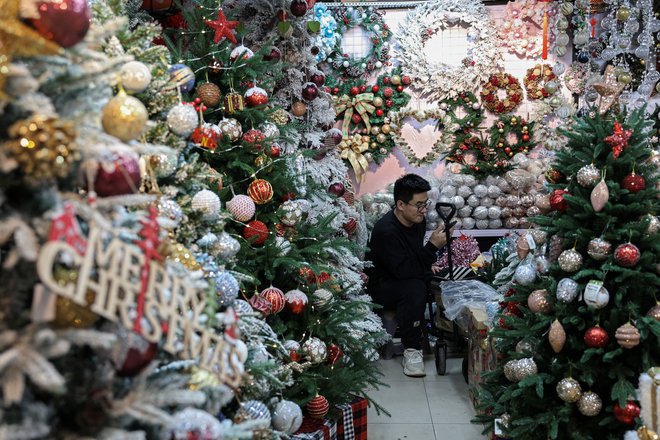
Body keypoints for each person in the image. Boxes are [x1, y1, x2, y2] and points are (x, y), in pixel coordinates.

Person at [365, 173, 449, 377]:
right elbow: (404, 271)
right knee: (415, 287)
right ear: (401, 205)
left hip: (405, 273)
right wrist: (432, 248)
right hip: (383, 285)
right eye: (419, 205)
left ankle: (445, 332)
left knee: (445, 277)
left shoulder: (417, 221)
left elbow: (412, 258)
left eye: (426, 203)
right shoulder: (386, 231)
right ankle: (412, 349)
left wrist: (428, 266)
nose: (424, 210)